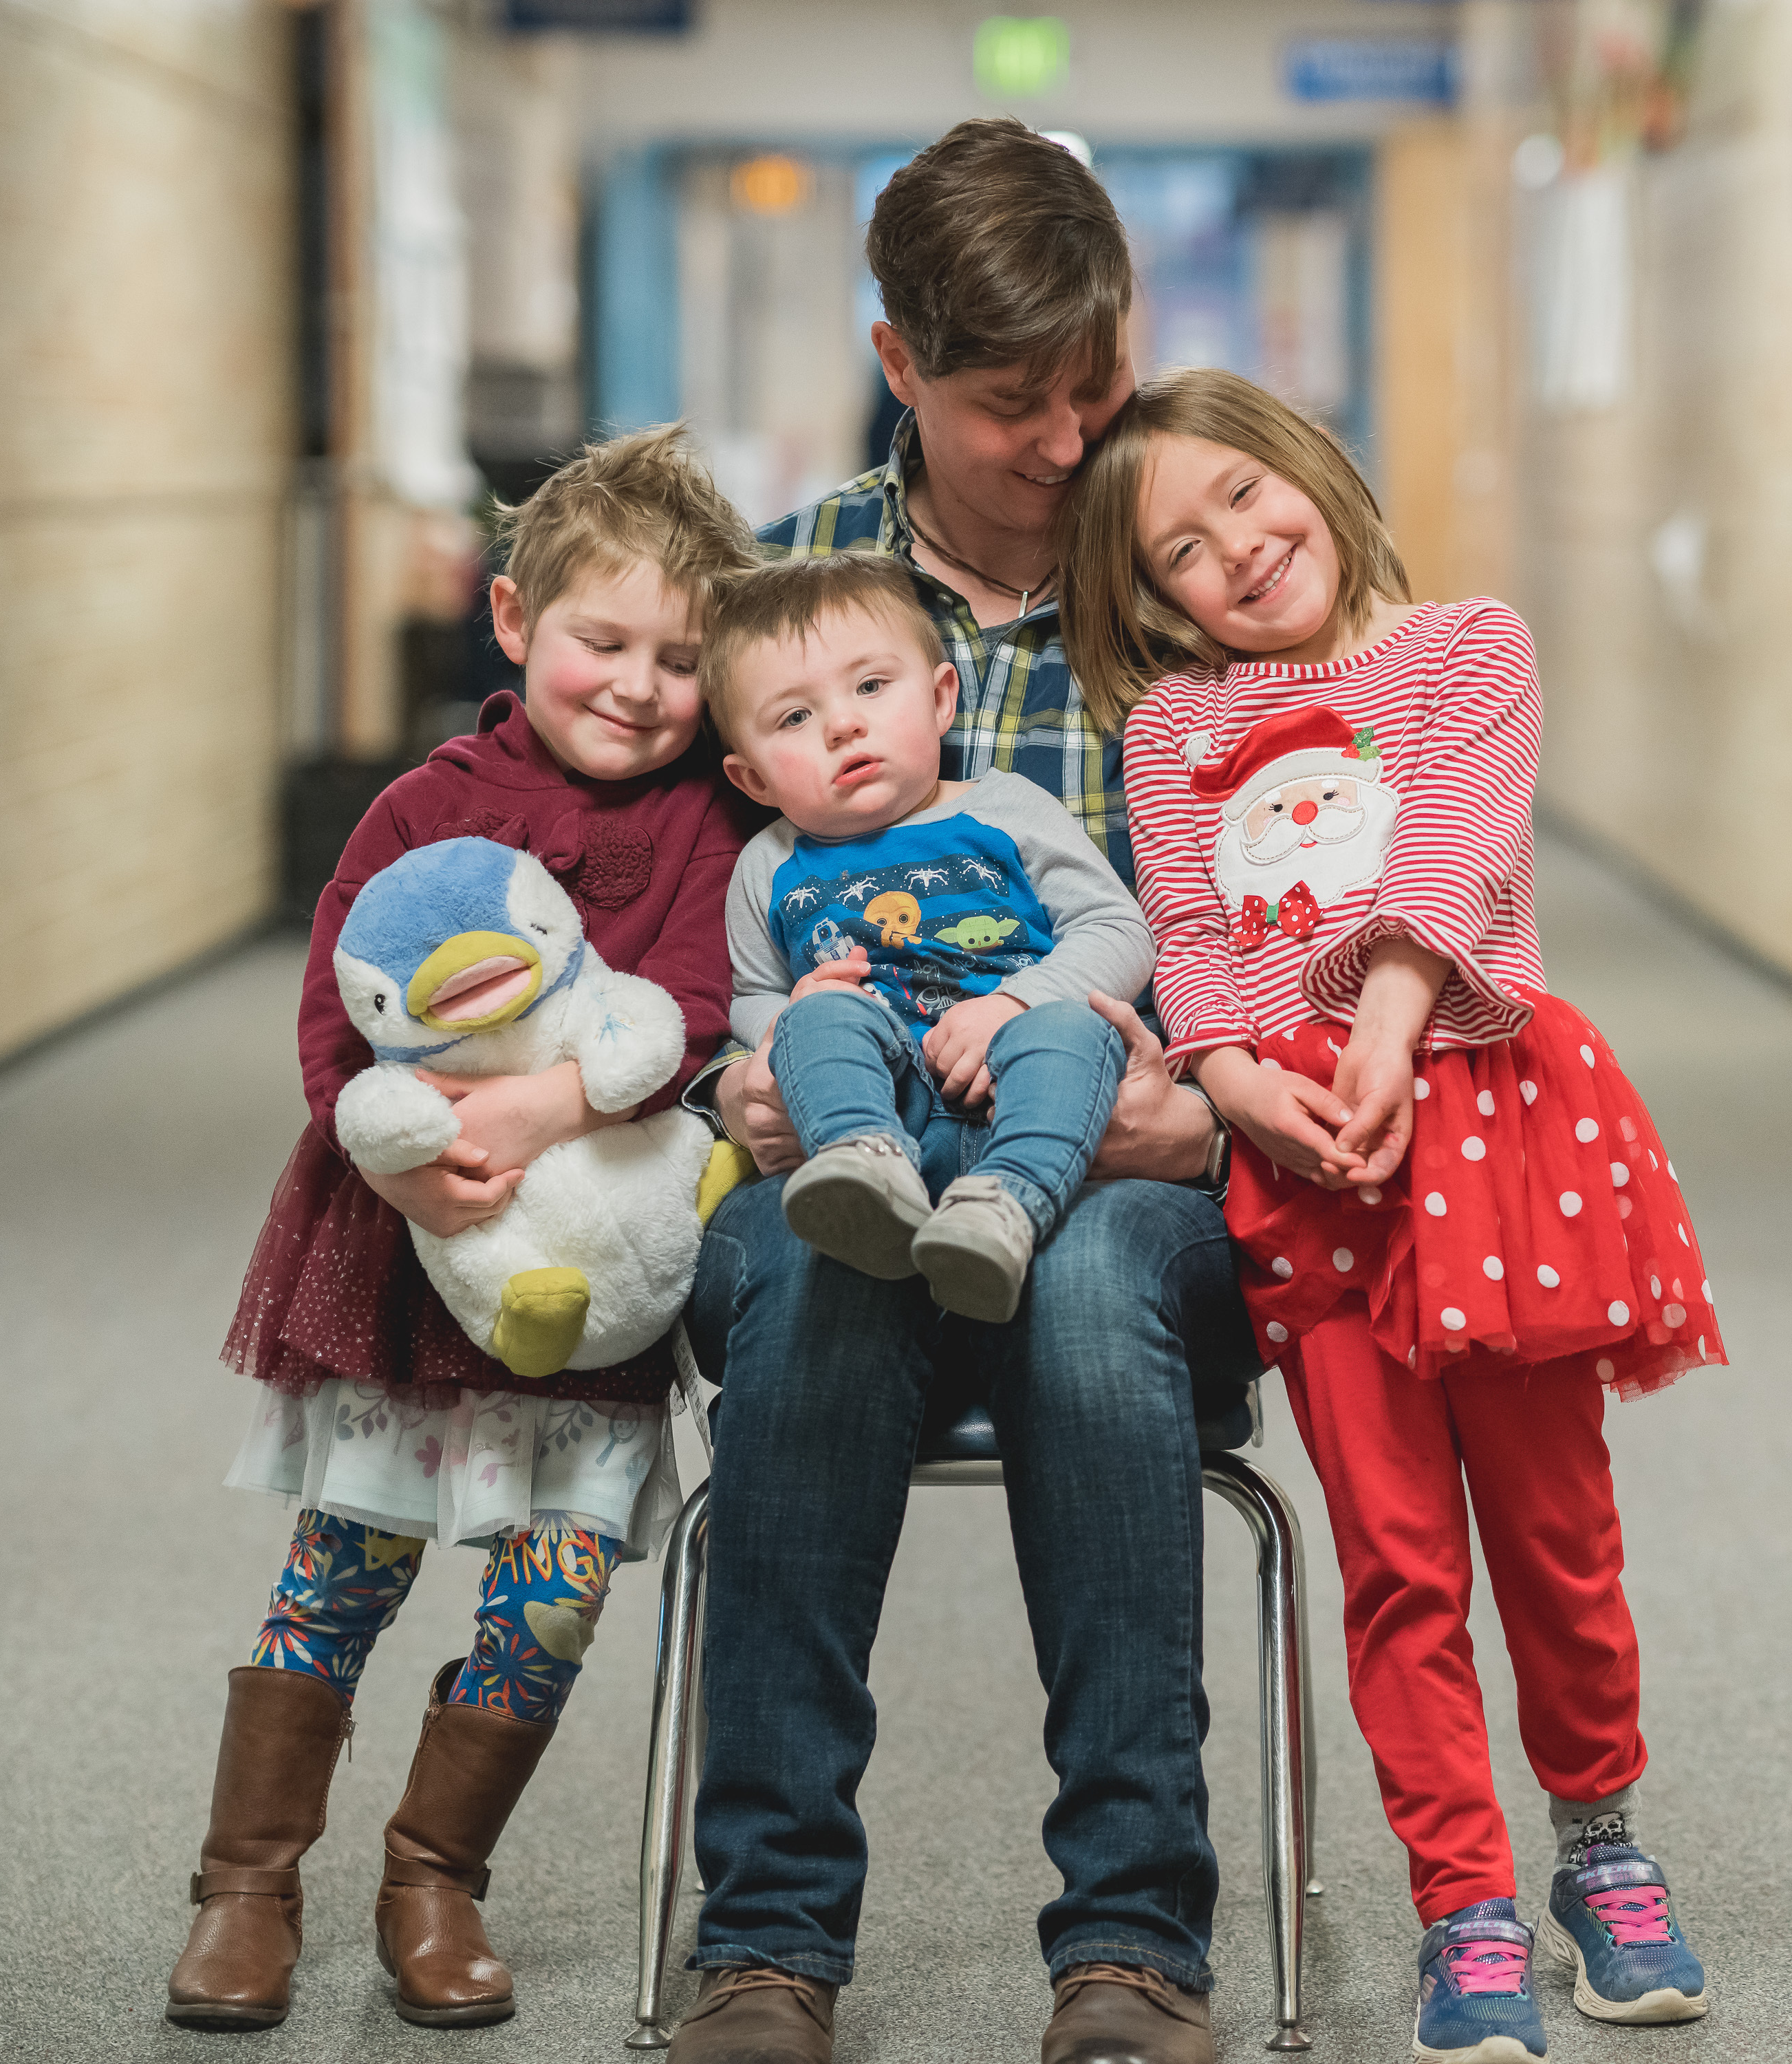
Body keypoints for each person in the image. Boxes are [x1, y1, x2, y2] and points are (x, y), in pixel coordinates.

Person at [1065, 367, 1729, 2064]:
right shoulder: (1167, 730)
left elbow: (1449, 850)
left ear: (1310, 467)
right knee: (1394, 1561)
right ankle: (1463, 1905)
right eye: (1181, 551)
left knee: (1549, 1531)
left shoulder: (1465, 649)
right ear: (1152, 598)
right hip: (1309, 1169)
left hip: (1487, 1133)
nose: (1234, 549)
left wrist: (1371, 1032)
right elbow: (1194, 944)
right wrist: (1224, 1079)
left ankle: (1601, 1844)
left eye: (1243, 495)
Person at [668, 120, 1246, 2064]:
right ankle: (763, 1945)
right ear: (895, 360)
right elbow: (686, 937)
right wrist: (733, 1078)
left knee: (1086, 1291)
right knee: (822, 1285)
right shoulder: (785, 603)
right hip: (850, 1165)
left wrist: (1219, 1115)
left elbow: (1346, 903)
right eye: (1015, 404)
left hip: (1136, 1177)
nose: (1074, 440)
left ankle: (1130, 1942)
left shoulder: (1188, 568)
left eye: (1100, 382)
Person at [166, 424, 761, 2032]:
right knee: (342, 1565)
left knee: (549, 1592)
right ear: (513, 623)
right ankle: (247, 1878)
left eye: (682, 659)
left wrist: (547, 1105)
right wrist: (413, 1163)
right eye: (602, 641)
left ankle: (435, 1873)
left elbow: (699, 1013)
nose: (638, 685)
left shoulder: (716, 824)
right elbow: (329, 1022)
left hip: (592, 1286)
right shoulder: (425, 807)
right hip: (402, 1269)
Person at [706, 552, 1152, 1321]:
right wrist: (789, 1020)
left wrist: (1016, 1003)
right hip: (886, 1095)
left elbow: (1118, 930)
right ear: (751, 779)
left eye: (871, 687)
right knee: (816, 1016)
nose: (844, 723)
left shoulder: (1007, 807)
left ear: (941, 697)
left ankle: (1010, 1203)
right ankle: (861, 1169)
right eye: (794, 717)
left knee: (1076, 1031)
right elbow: (752, 996)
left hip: (1019, 1084)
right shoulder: (768, 864)